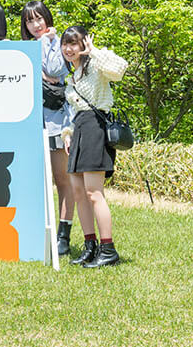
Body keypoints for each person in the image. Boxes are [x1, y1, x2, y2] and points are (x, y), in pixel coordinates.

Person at [59, 26, 128, 267]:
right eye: (65, 44)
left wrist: (94, 50)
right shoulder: (72, 77)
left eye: (74, 43)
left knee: (93, 192)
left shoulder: (96, 67)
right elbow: (72, 112)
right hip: (79, 131)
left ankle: (108, 249)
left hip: (95, 130)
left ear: (83, 44)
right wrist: (67, 134)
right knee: (79, 193)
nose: (69, 48)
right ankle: (91, 246)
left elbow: (120, 68)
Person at [21, 0, 74, 256]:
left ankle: (63, 235)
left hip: (58, 120)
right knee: (36, 180)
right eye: (30, 21)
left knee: (62, 179)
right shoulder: (25, 48)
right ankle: (37, 230)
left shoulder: (60, 42)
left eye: (38, 18)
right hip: (31, 121)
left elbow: (55, 70)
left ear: (47, 18)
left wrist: (47, 44)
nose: (35, 25)